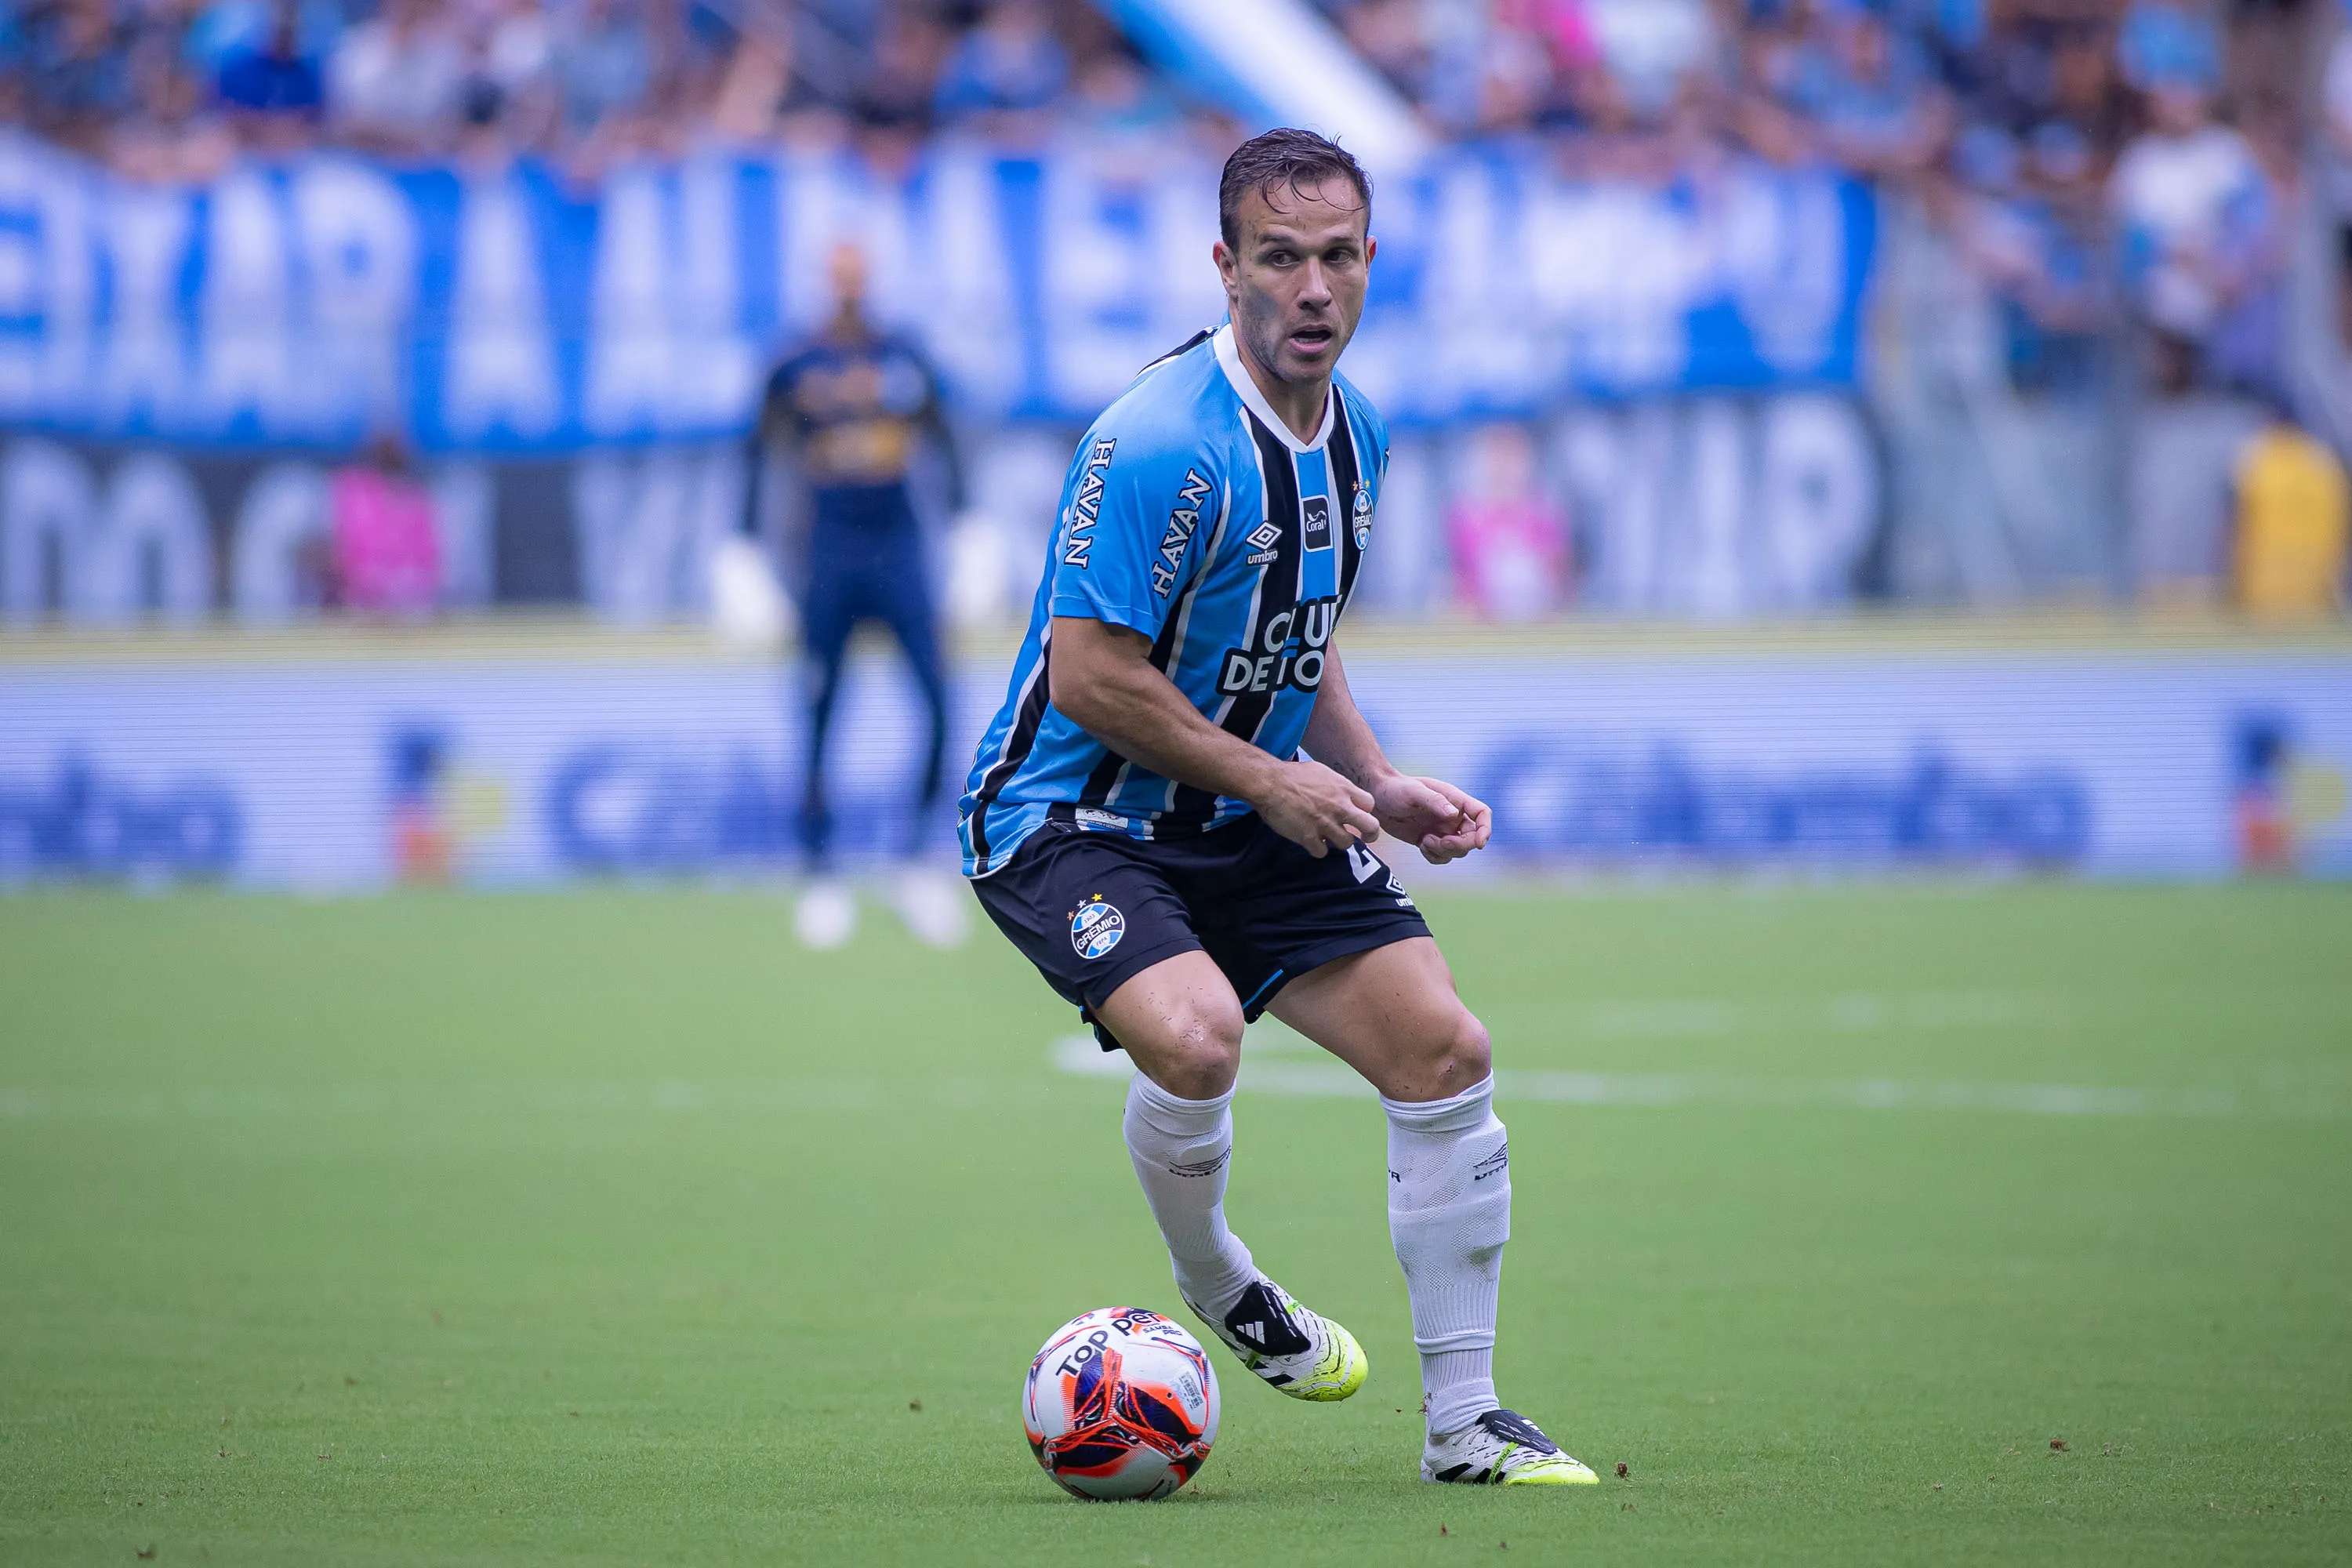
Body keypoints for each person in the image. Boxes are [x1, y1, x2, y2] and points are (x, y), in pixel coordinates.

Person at [960, 128, 1596, 1487]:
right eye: (1281, 258)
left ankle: (1465, 1426)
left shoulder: (1356, 429)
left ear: (1371, 263)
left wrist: (1373, 779)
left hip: (1255, 806)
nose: (1314, 288)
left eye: (1338, 257)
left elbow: (1294, 638)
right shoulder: (1153, 445)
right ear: (1225, 267)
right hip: (1072, 816)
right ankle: (1220, 1279)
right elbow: (1087, 678)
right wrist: (1274, 778)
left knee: (1445, 1050)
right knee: (1195, 1044)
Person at [747, 238, 965, 950]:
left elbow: (945, 439)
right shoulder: (794, 362)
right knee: (819, 706)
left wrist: (968, 528)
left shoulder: (903, 353)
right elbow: (757, 452)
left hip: (898, 546)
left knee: (937, 696)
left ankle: (914, 859)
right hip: (828, 550)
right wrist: (746, 547)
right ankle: (819, 869)